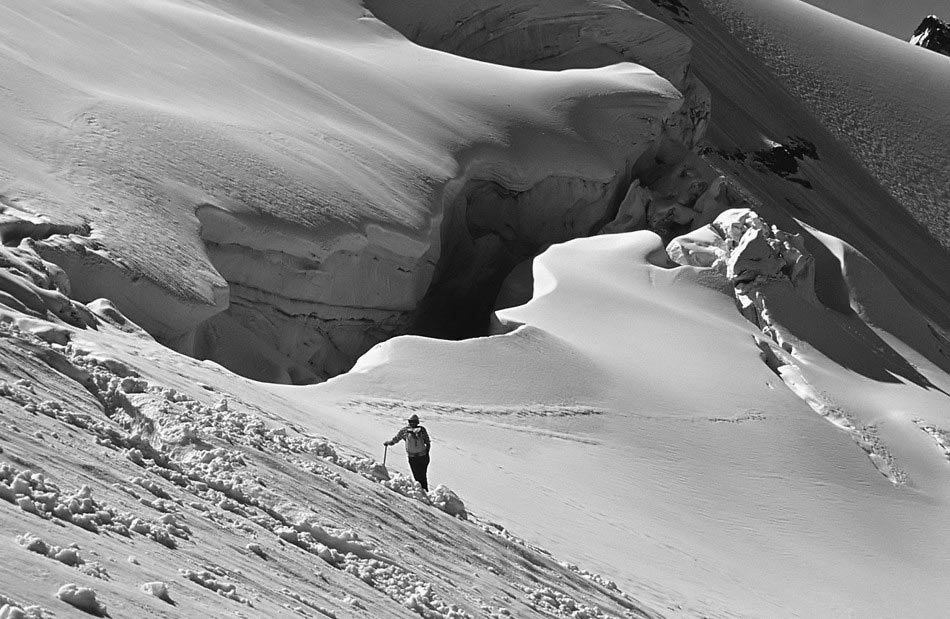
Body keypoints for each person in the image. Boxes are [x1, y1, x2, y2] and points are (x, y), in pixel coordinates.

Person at [384, 414, 431, 491]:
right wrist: (426, 453)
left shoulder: (404, 430)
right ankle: (426, 491)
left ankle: (421, 492)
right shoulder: (422, 430)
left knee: (417, 476)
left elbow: (395, 440)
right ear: (417, 422)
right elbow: (427, 442)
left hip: (412, 457)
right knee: (423, 475)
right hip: (423, 456)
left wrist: (388, 443)